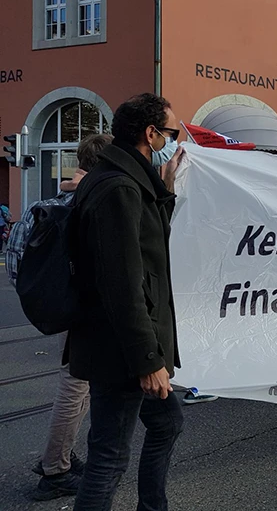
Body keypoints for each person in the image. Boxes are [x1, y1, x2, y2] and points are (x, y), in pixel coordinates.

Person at [69, 94, 184, 511]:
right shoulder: (118, 187)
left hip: (122, 344)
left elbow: (146, 242)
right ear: (150, 134)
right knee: (109, 458)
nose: (174, 142)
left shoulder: (125, 179)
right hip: (120, 351)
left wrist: (165, 189)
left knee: (168, 423)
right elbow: (122, 284)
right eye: (171, 134)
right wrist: (148, 361)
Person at [18, 135, 112, 501]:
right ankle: (55, 468)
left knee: (80, 384)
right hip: (84, 311)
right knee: (76, 385)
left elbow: (18, 262)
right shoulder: (90, 203)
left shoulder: (48, 203)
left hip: (59, 308)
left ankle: (61, 456)